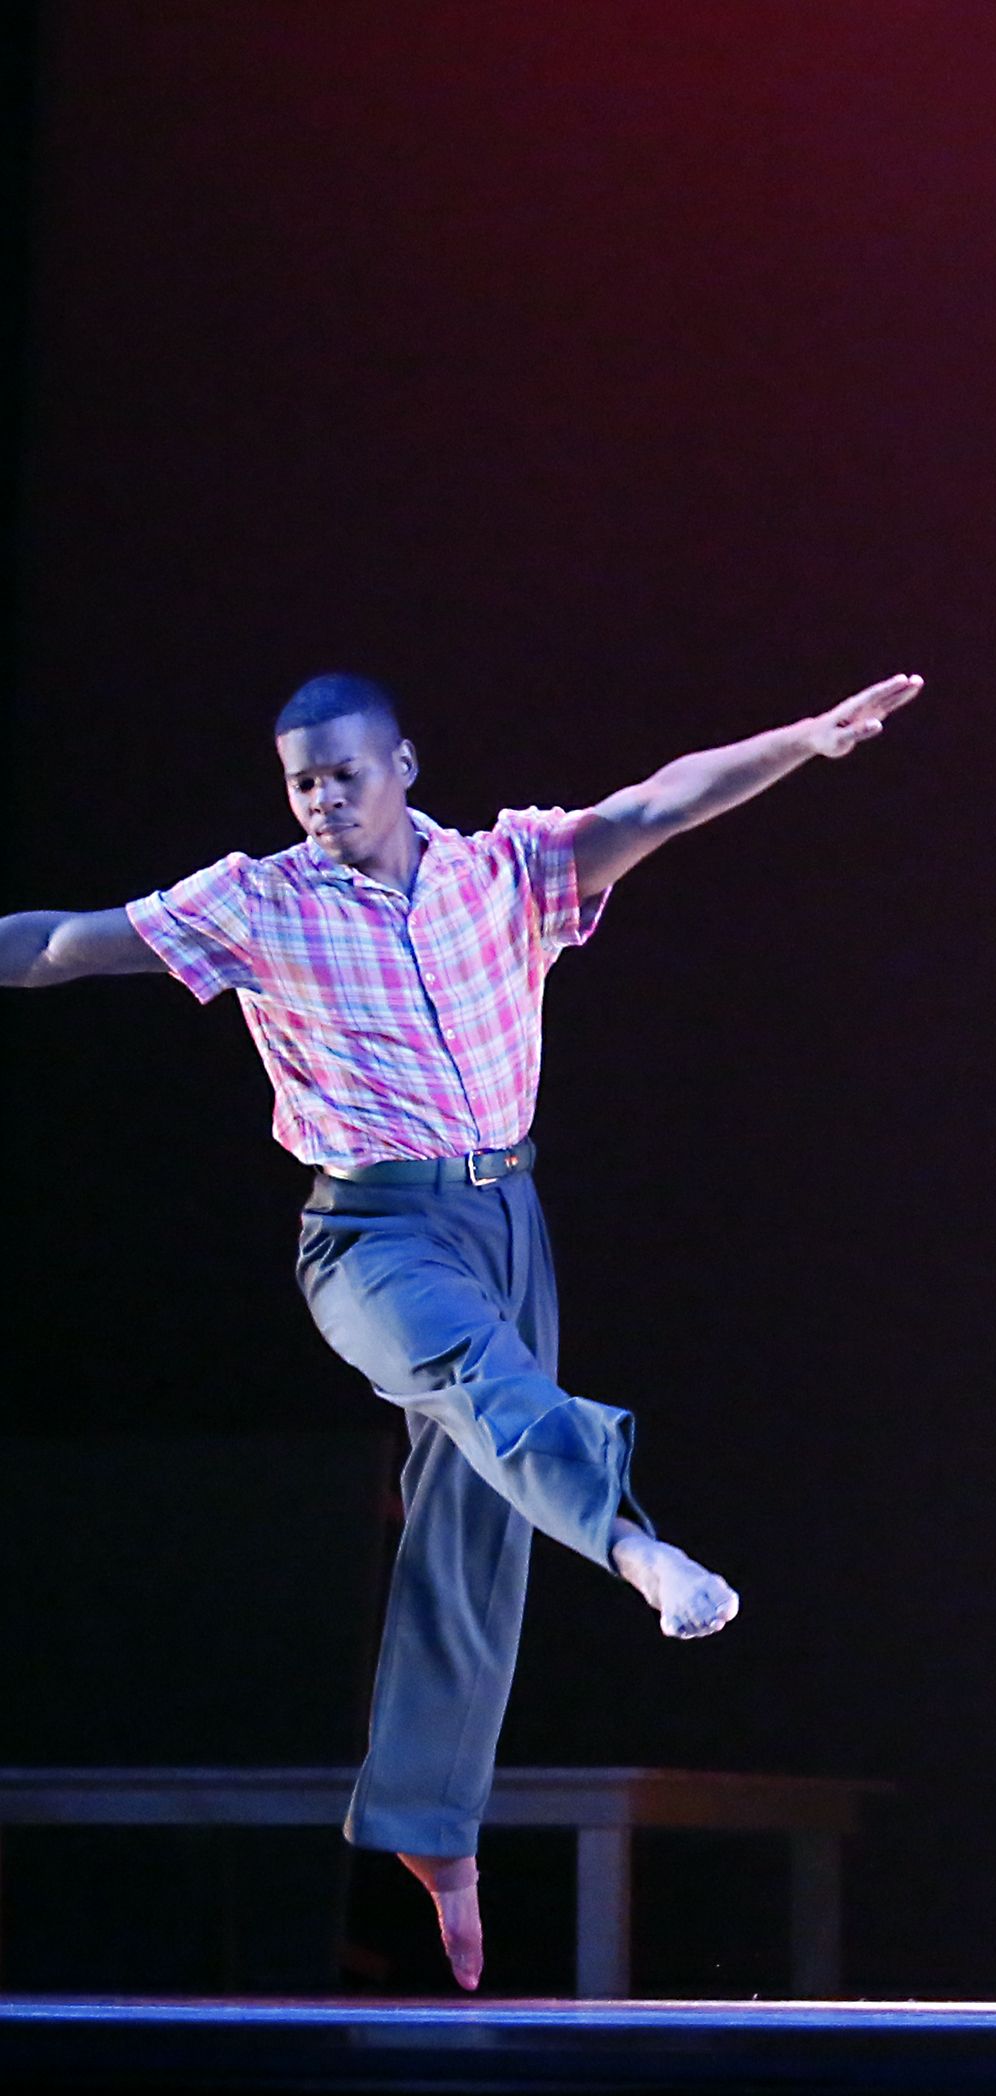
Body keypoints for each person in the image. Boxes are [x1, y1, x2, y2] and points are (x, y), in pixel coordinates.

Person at [0, 666, 923, 1985]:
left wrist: (804, 741)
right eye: (301, 782)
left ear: (404, 766)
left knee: (479, 1514)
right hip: (372, 1234)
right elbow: (59, 945)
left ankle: (437, 1834)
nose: (322, 801)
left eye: (345, 775)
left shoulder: (512, 870)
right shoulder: (258, 902)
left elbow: (660, 803)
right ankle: (636, 1548)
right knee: (479, 1379)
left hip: (507, 1214)